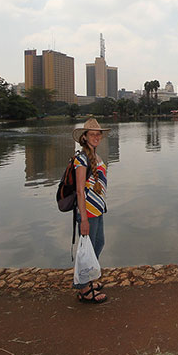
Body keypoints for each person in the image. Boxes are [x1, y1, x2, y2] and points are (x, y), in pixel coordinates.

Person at [72, 118, 111, 304]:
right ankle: (84, 289)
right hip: (87, 212)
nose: (96, 137)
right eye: (92, 134)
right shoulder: (81, 159)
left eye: (98, 134)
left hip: (97, 209)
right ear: (84, 136)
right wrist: (84, 219)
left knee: (98, 244)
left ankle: (86, 282)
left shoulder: (95, 156)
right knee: (88, 250)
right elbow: (80, 190)